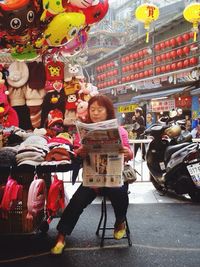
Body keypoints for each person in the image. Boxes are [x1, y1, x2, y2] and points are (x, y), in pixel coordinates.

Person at [51, 95, 133, 255]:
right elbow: (76, 153)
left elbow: (130, 153)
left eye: (99, 110)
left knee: (120, 192)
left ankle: (119, 221)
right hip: (93, 179)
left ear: (107, 111)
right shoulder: (83, 131)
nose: (95, 113)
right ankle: (61, 236)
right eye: (92, 109)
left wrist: (126, 151)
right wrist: (80, 151)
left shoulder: (120, 131)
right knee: (76, 203)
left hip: (113, 177)